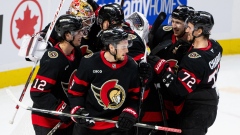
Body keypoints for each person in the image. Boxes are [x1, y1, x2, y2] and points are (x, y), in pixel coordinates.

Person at [150, 11, 222, 135]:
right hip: (210, 101)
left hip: (196, 112)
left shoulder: (194, 60)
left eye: (189, 27)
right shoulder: (216, 46)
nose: (187, 30)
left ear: (199, 31)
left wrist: (162, 68)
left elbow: (178, 89)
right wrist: (188, 47)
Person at [67, 28, 141, 135]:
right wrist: (77, 109)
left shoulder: (131, 65)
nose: (127, 51)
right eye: (123, 47)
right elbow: (75, 93)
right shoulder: (89, 63)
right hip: (88, 126)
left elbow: (135, 97)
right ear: (111, 47)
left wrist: (130, 112)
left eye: (127, 46)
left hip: (116, 127)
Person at [139, 5, 196, 135]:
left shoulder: (195, 44)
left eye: (179, 23)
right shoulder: (163, 32)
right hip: (157, 91)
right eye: (173, 21)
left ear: (189, 25)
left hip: (177, 95)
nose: (174, 26)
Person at [30, 14, 84, 135]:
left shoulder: (77, 52)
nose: (82, 35)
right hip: (46, 119)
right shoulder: (53, 59)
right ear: (67, 35)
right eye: (78, 32)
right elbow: (38, 93)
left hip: (66, 117)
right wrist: (61, 109)